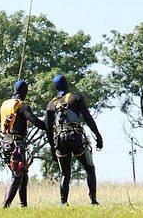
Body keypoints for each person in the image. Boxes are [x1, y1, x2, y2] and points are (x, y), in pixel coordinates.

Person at [45, 74, 103, 206]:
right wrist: (98, 135)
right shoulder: (76, 97)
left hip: (59, 140)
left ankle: (63, 202)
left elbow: (48, 130)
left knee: (65, 174)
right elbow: (88, 118)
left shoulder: (50, 105)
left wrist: (53, 149)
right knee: (90, 168)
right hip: (75, 137)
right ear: (67, 84)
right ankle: (93, 199)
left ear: (56, 87)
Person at [0, 79, 47, 209]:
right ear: (24, 91)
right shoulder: (22, 106)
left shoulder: (5, 105)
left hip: (6, 143)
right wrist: (48, 126)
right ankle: (5, 206)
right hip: (17, 144)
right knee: (17, 176)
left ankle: (24, 206)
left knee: (23, 175)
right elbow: (34, 121)